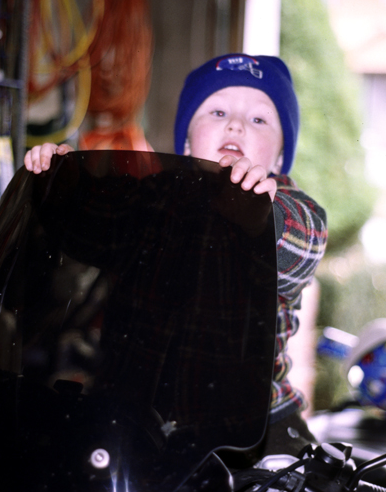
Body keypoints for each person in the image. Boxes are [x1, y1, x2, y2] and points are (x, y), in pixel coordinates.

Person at [24, 53, 328, 460]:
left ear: (278, 158)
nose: (235, 124)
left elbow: (303, 245)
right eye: (217, 111)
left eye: (259, 120)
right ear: (187, 142)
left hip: (257, 425)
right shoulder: (152, 198)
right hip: (136, 420)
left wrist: (263, 217)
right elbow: (89, 227)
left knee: (292, 475)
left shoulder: (287, 208)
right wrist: (58, 183)